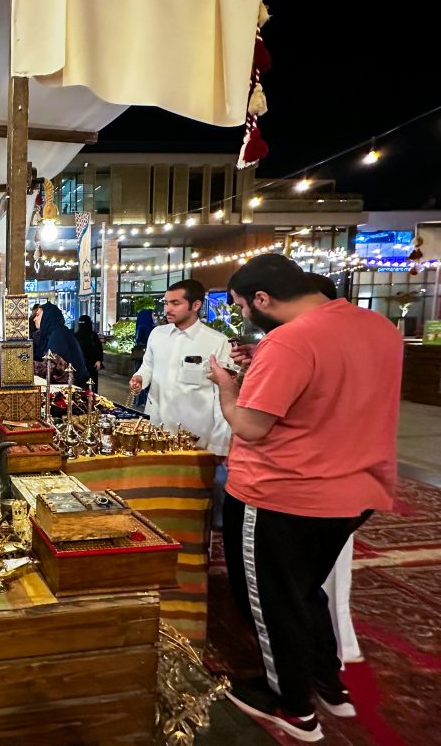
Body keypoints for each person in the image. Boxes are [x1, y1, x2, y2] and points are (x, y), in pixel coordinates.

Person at [206, 254, 402, 741]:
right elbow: (328, 390)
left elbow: (251, 426)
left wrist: (228, 389)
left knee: (271, 600)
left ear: (263, 299)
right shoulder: (376, 326)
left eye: (242, 308)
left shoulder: (289, 342)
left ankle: (293, 706)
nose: (243, 317)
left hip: (283, 493)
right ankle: (327, 686)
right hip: (354, 490)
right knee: (303, 590)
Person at [128, 280, 231, 456]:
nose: (168, 309)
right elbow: (148, 366)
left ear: (196, 305)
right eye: (166, 303)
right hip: (155, 428)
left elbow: (223, 394)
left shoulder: (217, 341)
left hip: (194, 435)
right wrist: (140, 378)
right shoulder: (158, 334)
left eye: (176, 303)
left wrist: (219, 446)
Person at [33, 303, 88, 387]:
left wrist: (28, 366)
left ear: (47, 316)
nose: (34, 319)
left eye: (37, 315)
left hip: (73, 389)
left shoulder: (58, 335)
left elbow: (53, 369)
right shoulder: (52, 333)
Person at [74, 315, 104, 382]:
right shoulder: (76, 336)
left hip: (92, 364)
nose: (82, 324)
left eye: (83, 322)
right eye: (81, 322)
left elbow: (98, 348)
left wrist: (99, 360)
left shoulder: (93, 336)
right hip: (80, 364)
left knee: (92, 383)